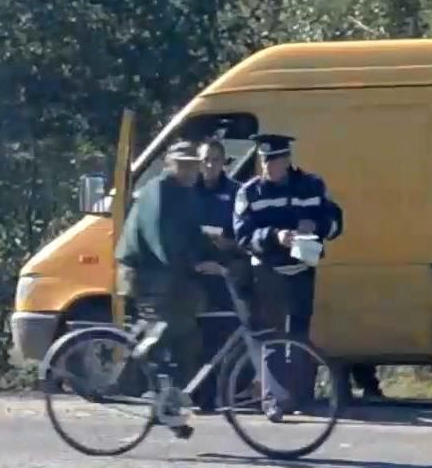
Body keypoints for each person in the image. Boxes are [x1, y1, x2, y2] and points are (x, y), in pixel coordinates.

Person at [114, 140, 221, 436]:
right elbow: (162, 240)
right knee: (170, 327)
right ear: (169, 165)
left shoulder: (185, 192)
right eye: (183, 165)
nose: (189, 171)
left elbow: (192, 234)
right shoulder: (158, 191)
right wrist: (195, 264)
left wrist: (222, 253)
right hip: (146, 272)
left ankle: (166, 405)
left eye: (193, 165)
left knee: (186, 338)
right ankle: (131, 376)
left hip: (167, 272)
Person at [233, 132, 335, 420]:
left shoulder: (312, 185)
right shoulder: (250, 193)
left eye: (274, 160)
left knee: (300, 336)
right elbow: (243, 235)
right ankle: (274, 401)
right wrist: (274, 236)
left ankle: (301, 397)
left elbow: (335, 221)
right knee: (272, 337)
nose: (268, 166)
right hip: (267, 271)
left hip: (302, 268)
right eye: (264, 160)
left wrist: (316, 225)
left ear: (287, 160)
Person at [192, 138, 244, 412]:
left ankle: (225, 394)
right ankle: (199, 395)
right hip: (193, 274)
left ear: (224, 162)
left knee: (224, 337)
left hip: (225, 274)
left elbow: (245, 237)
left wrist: (229, 245)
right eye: (205, 160)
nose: (210, 166)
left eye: (215, 160)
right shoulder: (188, 190)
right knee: (196, 339)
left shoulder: (236, 192)